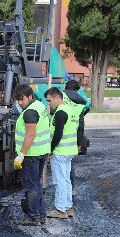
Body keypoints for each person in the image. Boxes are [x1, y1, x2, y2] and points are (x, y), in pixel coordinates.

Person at [12, 84, 51, 226]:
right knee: (37, 184)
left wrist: (21, 154)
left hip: (31, 154)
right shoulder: (40, 106)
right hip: (41, 152)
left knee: (31, 186)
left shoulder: (29, 113)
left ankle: (33, 217)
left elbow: (31, 134)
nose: (20, 103)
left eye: (21, 99)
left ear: (30, 96)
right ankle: (41, 215)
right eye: (17, 100)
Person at [44, 87, 78, 220]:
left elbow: (58, 134)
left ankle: (60, 209)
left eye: (49, 100)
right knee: (66, 180)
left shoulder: (60, 113)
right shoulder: (69, 109)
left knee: (59, 181)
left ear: (57, 98)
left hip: (60, 151)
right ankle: (68, 207)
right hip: (69, 151)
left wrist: (50, 149)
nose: (48, 103)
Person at [63, 79, 90, 194]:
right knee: (69, 165)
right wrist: (78, 142)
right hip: (72, 139)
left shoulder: (60, 98)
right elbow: (80, 126)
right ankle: (70, 189)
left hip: (60, 140)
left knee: (60, 167)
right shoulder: (80, 102)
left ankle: (64, 191)